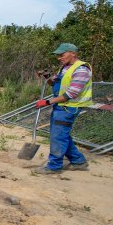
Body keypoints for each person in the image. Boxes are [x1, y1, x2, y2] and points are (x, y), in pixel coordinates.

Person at [34, 43, 92, 174]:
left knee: (58, 136)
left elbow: (71, 93)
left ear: (73, 53)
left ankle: (54, 166)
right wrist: (47, 77)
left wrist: (47, 102)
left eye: (62, 55)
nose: (59, 58)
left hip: (69, 108)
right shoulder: (65, 68)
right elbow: (54, 84)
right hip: (60, 106)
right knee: (61, 135)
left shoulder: (81, 69)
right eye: (58, 55)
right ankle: (78, 161)